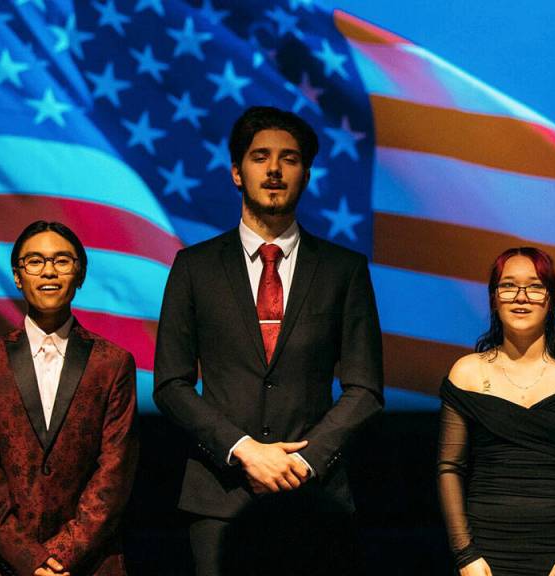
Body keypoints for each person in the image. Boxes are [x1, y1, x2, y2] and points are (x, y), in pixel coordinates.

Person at [153, 106, 384, 576]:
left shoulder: (344, 270)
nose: (274, 169)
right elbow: (171, 385)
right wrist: (244, 451)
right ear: (237, 173)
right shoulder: (193, 268)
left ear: (306, 174)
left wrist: (304, 463)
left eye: (289, 158)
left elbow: (365, 389)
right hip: (220, 496)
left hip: (315, 499)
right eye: (260, 157)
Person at [437, 247, 555, 576]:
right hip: (485, 555)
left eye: (534, 286)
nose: (521, 297)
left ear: (551, 297)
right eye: (508, 286)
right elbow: (449, 469)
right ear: (493, 298)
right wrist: (465, 555)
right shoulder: (467, 372)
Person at [0, 221, 138, 576]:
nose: (48, 271)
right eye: (34, 261)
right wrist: (29, 559)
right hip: (3, 563)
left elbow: (114, 470)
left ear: (80, 274)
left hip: (90, 562)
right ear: (18, 276)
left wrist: (61, 556)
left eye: (62, 261)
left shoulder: (112, 363)